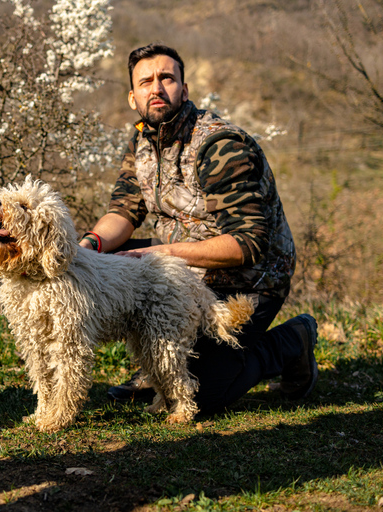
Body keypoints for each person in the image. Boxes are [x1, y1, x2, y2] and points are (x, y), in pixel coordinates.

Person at [79, 44, 318, 416]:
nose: (156, 88)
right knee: (101, 262)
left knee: (203, 395)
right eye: (145, 82)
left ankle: (291, 342)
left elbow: (247, 244)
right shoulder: (142, 141)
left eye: (166, 78)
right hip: (184, 268)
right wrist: (87, 247)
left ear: (184, 90)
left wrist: (161, 254)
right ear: (132, 97)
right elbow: (124, 211)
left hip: (249, 279)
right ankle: (157, 365)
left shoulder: (220, 145)